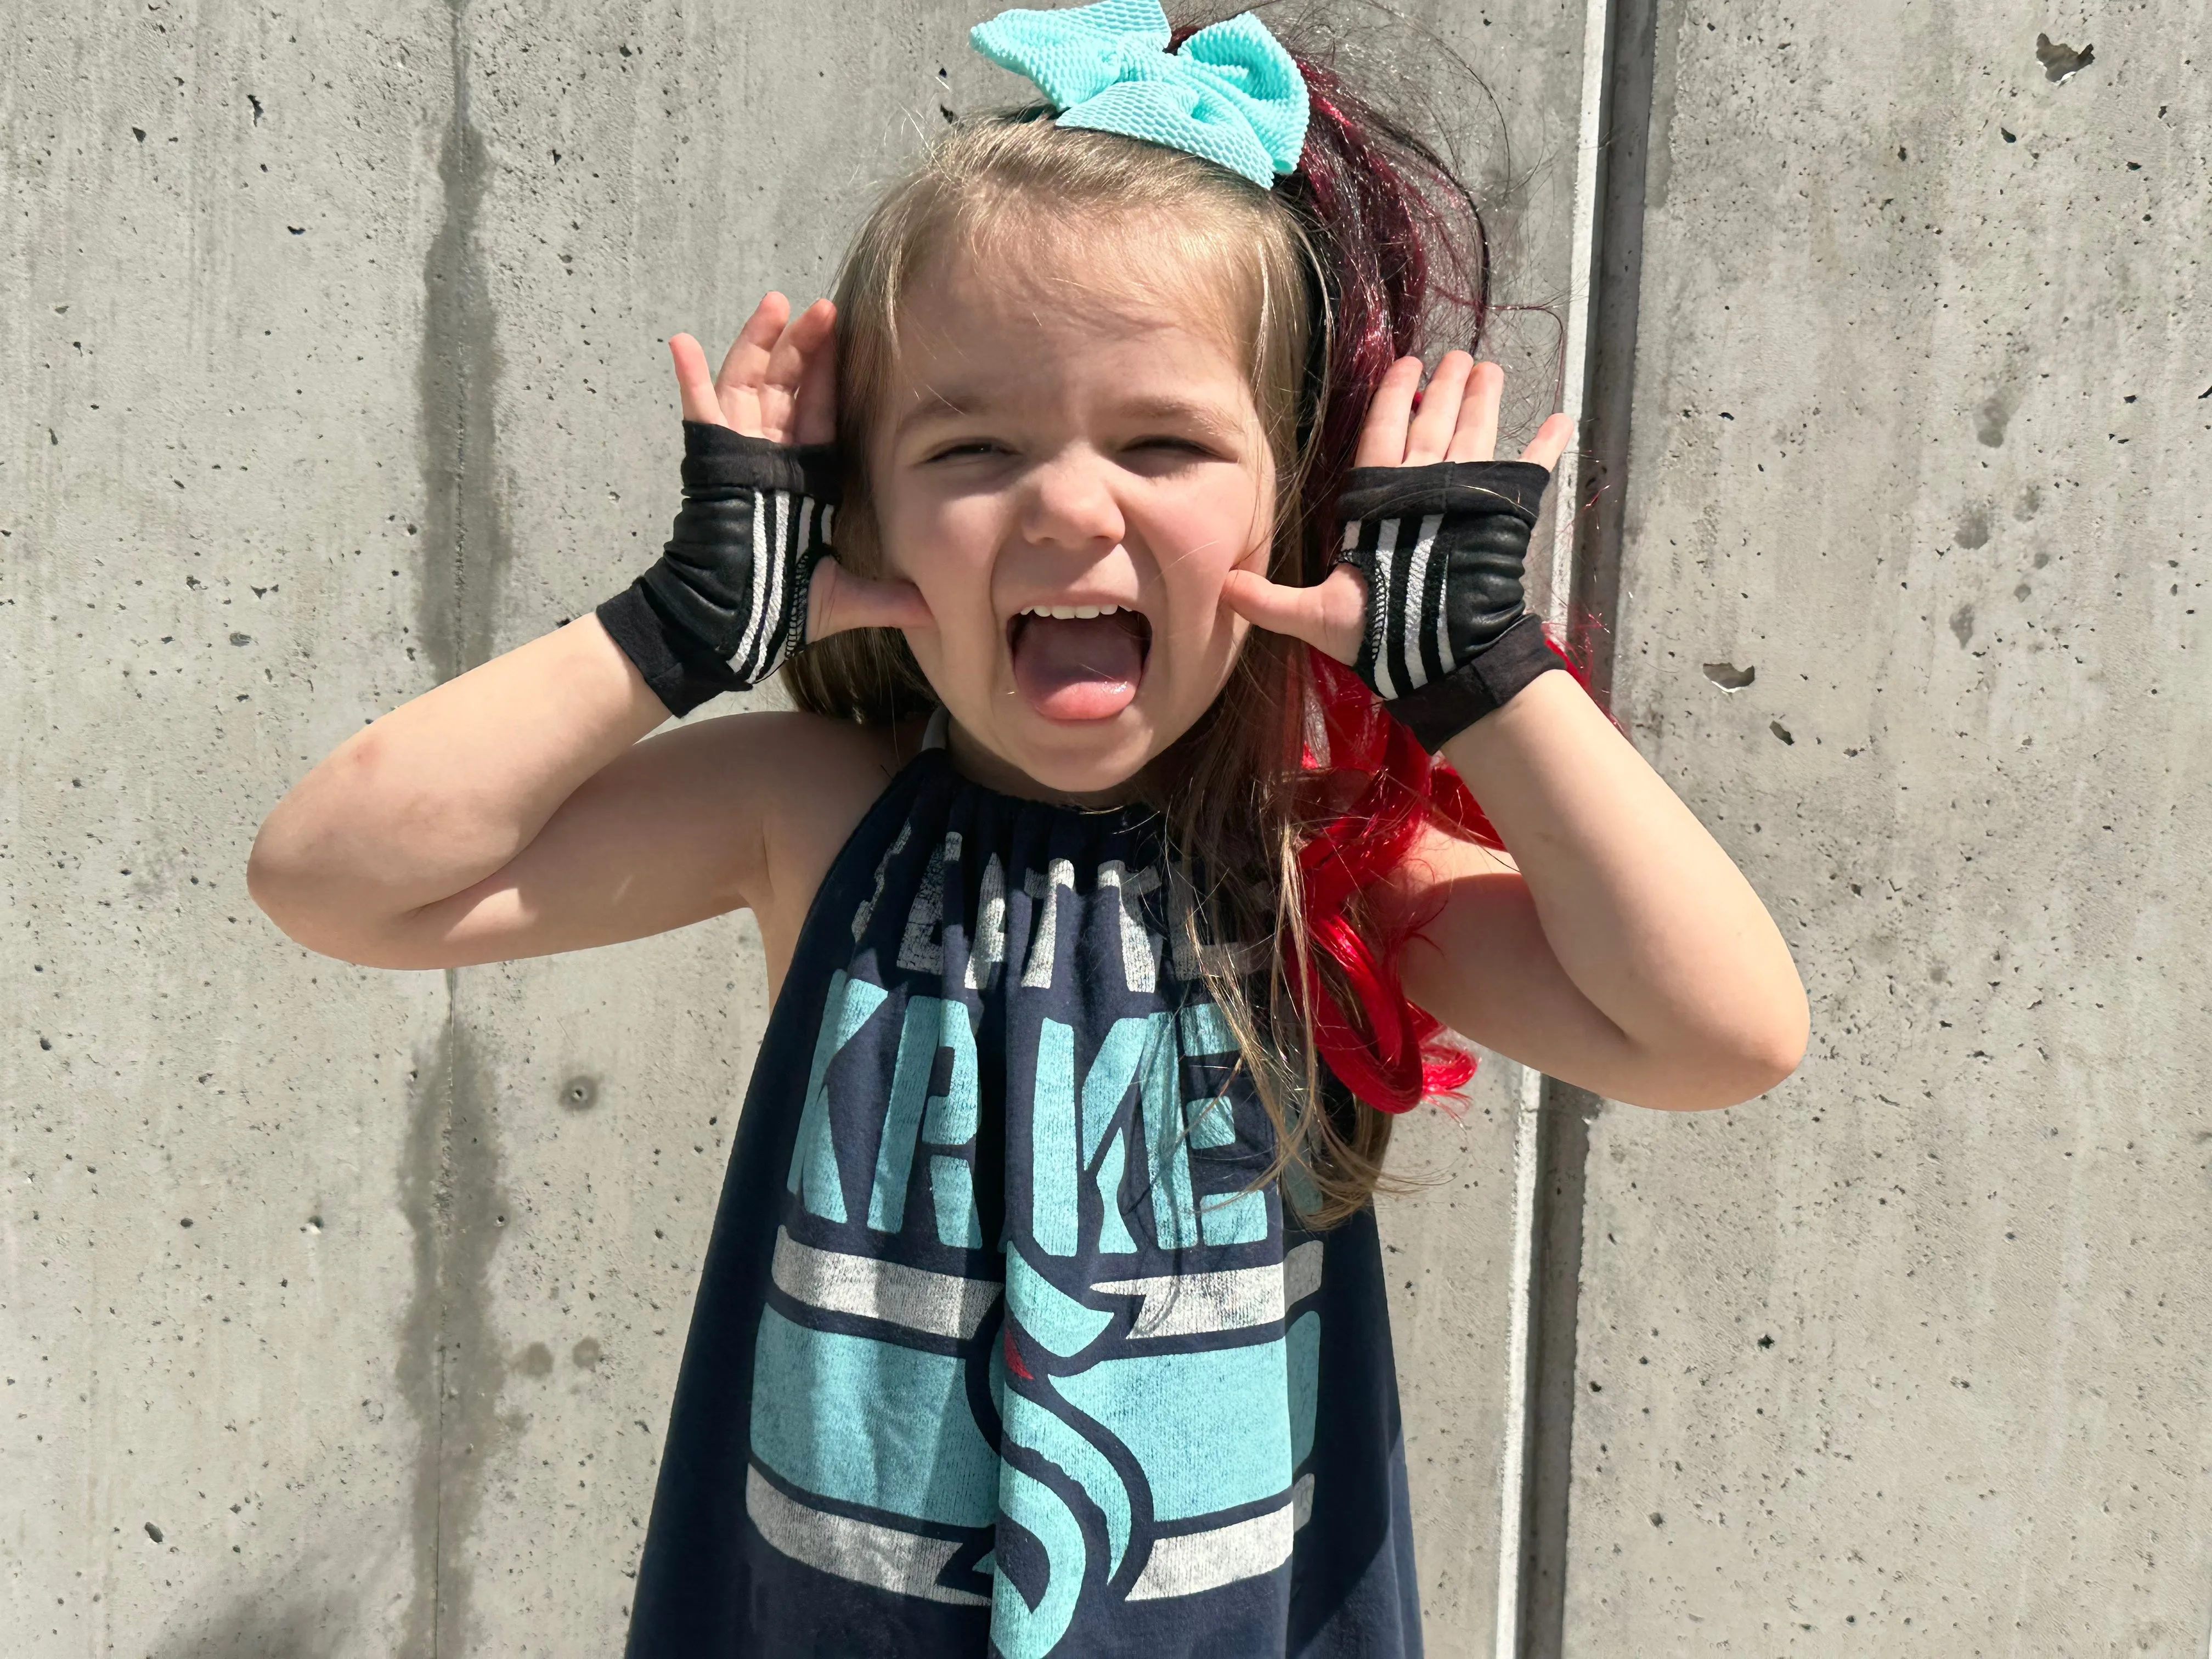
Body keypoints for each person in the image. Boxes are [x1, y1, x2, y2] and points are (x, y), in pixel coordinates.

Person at [248, 3, 1807, 1652]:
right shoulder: (813, 808)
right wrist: (676, 632)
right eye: (974, 445)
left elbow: (1723, 1035)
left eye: (1163, 443)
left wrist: (1486, 680)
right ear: (864, 514)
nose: (1071, 505)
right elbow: (339, 882)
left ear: (1299, 498)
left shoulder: (1327, 870)